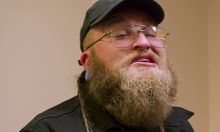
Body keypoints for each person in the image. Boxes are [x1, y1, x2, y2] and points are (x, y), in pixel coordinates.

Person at [20, 0, 194, 132]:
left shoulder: (178, 127)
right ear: (88, 61)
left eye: (151, 33)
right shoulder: (47, 129)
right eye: (121, 34)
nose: (144, 42)